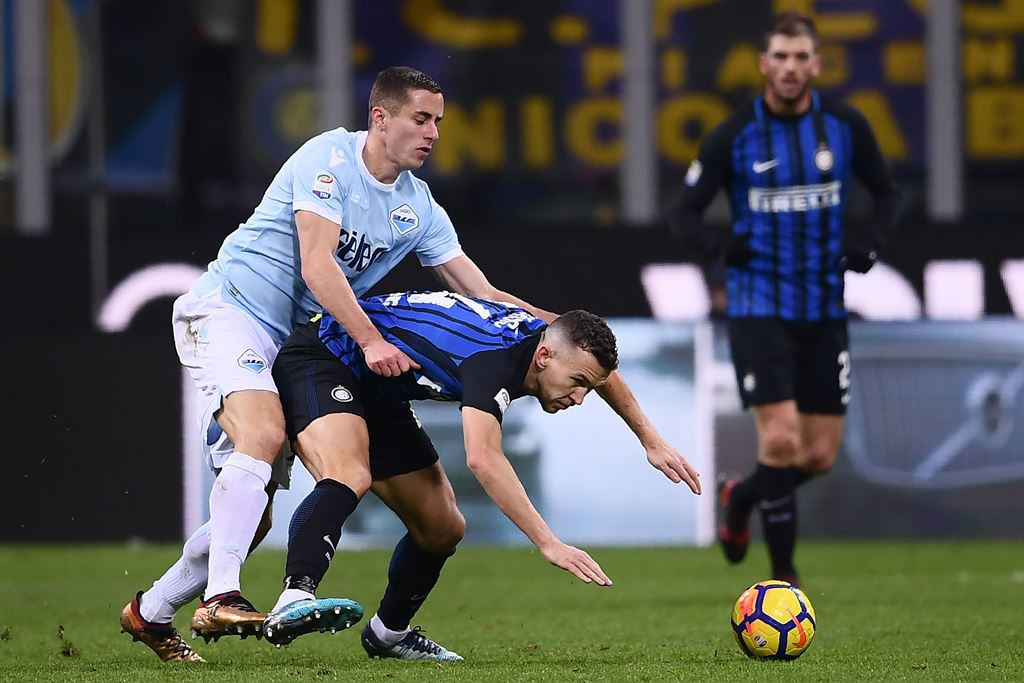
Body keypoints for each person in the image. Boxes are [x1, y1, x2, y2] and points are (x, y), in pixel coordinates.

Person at [121, 66, 699, 662]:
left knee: (256, 518)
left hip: (303, 339)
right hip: (232, 310)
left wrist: (638, 424)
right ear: (381, 118)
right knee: (267, 438)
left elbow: (488, 295)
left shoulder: (418, 208)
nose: (432, 133)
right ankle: (222, 597)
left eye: (439, 123)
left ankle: (153, 611)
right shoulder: (328, 161)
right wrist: (370, 340)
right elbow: (319, 267)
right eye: (421, 119)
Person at [258, 291, 702, 660]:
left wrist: (651, 440)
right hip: (323, 356)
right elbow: (483, 459)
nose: (580, 397)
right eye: (577, 382)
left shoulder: (547, 339)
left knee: (444, 527)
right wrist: (548, 542)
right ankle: (295, 596)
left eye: (587, 385)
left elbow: (605, 375)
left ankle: (389, 633)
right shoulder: (493, 362)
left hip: (379, 386)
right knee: (348, 474)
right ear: (544, 357)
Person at [669, 11, 899, 585]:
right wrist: (724, 247)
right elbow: (683, 214)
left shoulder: (846, 126)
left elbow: (889, 194)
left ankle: (743, 498)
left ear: (816, 64)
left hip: (824, 309)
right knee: (780, 438)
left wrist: (868, 243)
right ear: (763, 64)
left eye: (801, 58)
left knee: (817, 455)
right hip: (757, 307)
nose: (791, 68)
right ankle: (784, 582)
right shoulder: (733, 135)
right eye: (781, 57)